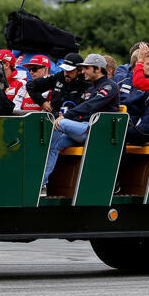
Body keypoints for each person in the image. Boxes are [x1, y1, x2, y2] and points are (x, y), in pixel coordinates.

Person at [40, 54, 119, 195]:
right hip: (86, 129)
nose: (82, 72)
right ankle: (42, 184)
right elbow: (84, 110)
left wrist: (66, 116)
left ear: (98, 69)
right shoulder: (90, 88)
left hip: (100, 131)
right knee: (54, 138)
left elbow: (91, 105)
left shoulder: (110, 85)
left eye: (86, 68)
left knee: (59, 123)